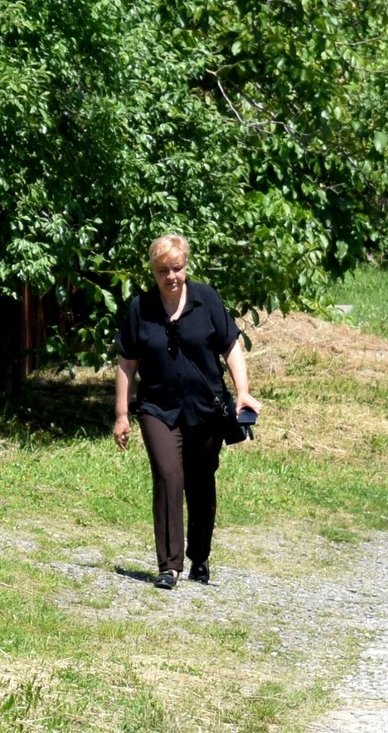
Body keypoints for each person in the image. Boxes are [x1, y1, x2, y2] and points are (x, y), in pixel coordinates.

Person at [114, 234, 258, 589]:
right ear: (153, 271)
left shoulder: (206, 299)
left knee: (200, 481)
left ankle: (200, 556)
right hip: (157, 407)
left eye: (176, 268)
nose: (171, 276)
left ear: (186, 266)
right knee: (168, 476)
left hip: (205, 408)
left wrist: (242, 393)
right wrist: (122, 414)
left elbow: (231, 347)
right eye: (163, 270)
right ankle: (169, 565)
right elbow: (127, 363)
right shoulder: (140, 308)